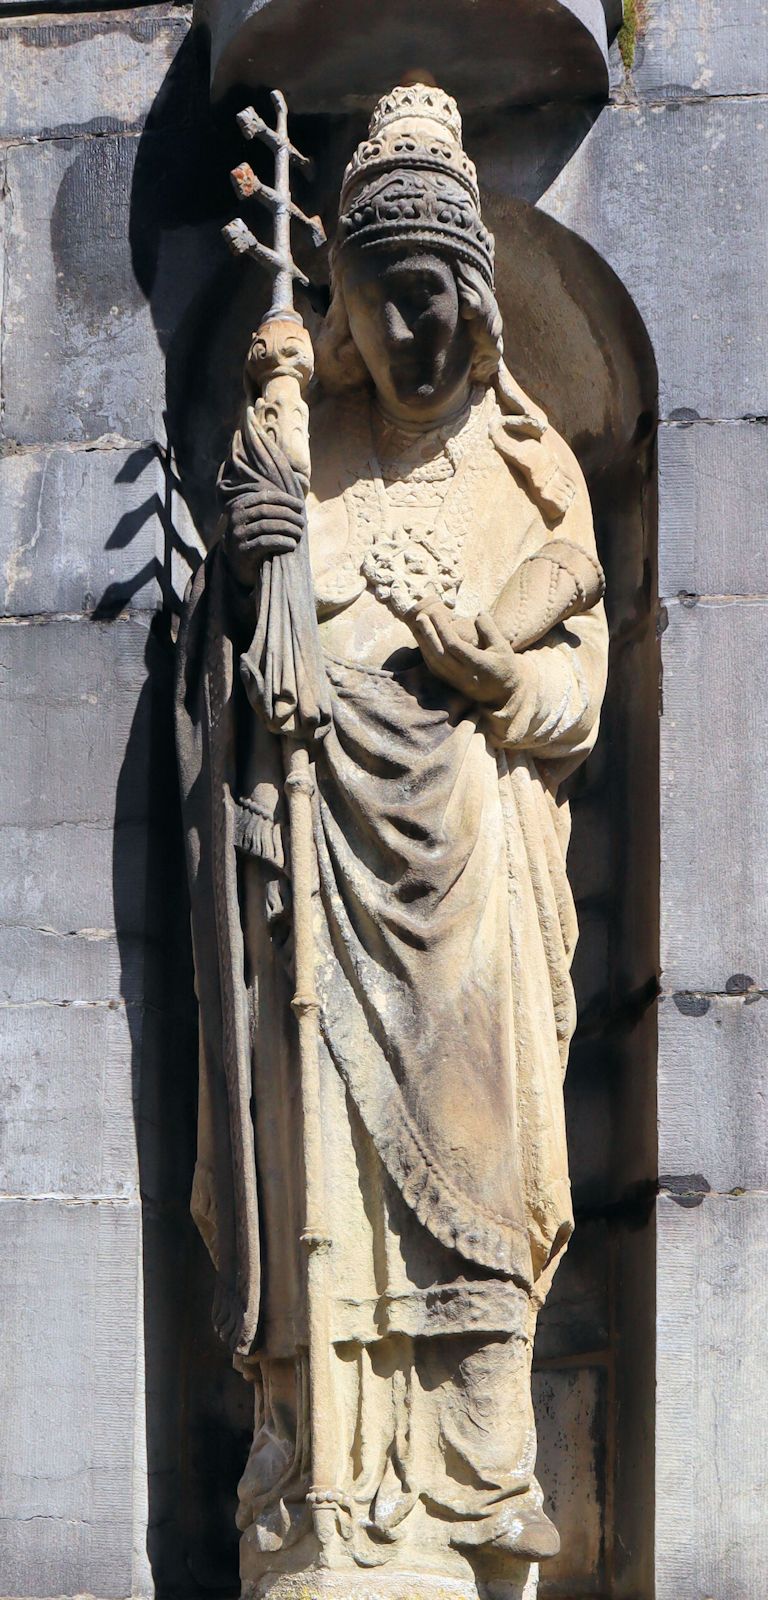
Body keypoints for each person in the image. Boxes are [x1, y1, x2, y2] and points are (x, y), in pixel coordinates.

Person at [177, 82, 608, 1595]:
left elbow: (578, 698)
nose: (415, 337)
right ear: (346, 306)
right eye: (385, 304)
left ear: (480, 306)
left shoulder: (531, 474)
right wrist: (260, 574)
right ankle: (324, 1476)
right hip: (322, 869)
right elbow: (232, 687)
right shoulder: (307, 454)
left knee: (489, 1163)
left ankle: (486, 1472)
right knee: (325, 1172)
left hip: (476, 866)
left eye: (437, 302)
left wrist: (495, 676)